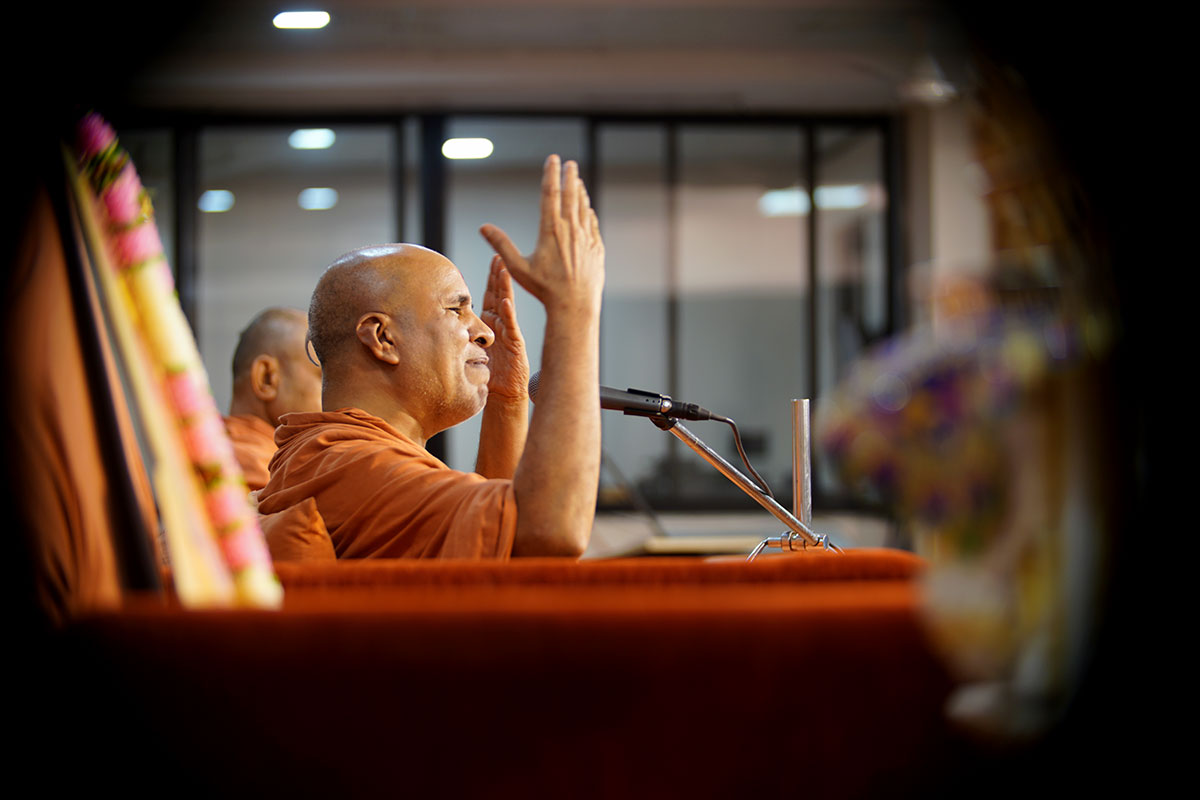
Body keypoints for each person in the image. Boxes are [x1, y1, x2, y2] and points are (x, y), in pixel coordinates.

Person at [256, 155, 604, 558]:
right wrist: (574, 310)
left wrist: (505, 401)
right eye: (456, 309)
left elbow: (504, 559)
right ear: (383, 338)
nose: (486, 332)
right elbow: (548, 530)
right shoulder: (354, 466)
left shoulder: (345, 458)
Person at [223, 307, 323, 492]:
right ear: (266, 378)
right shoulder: (260, 471)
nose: (339, 397)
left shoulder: (210, 450)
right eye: (324, 377)